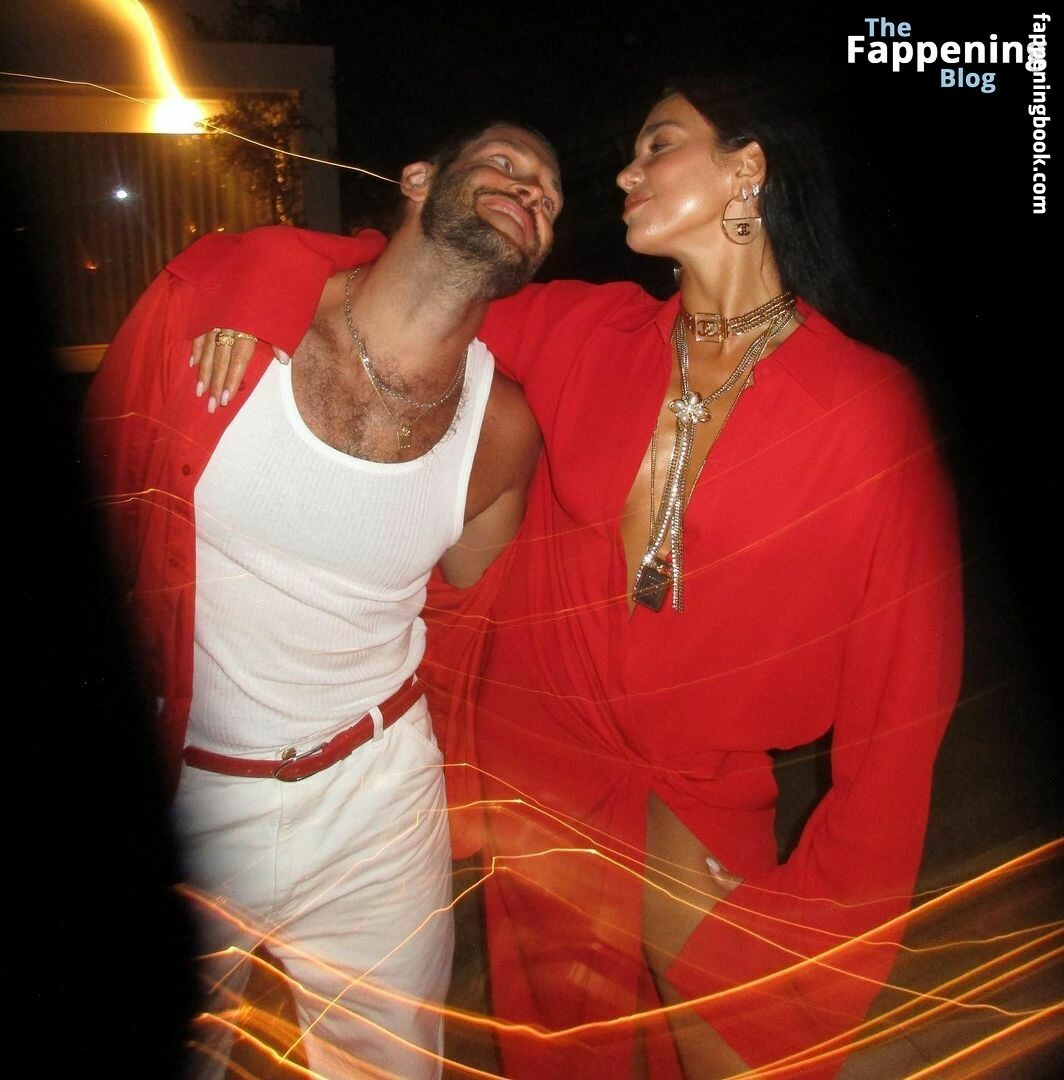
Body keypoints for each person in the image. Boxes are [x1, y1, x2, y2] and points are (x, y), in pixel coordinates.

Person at [188, 74, 962, 1079]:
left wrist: (828, 911)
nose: (627, 173)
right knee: (560, 1054)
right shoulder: (585, 332)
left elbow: (902, 707)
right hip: (545, 778)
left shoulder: (866, 410)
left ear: (748, 169)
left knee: (747, 1043)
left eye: (659, 145)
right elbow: (394, 277)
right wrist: (254, 290)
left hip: (697, 786)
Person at [82, 121, 562, 1078]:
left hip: (377, 799)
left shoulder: (503, 428)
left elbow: (470, 591)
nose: (532, 191)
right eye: (506, 164)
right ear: (418, 178)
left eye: (550, 195)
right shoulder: (223, 320)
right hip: (193, 791)